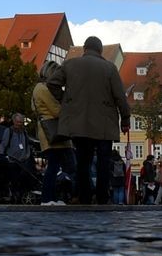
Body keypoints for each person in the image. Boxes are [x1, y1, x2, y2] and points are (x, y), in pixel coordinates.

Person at [41, 35, 130, 205]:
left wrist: (66, 100)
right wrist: (125, 119)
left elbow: (52, 83)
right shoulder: (109, 68)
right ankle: (103, 197)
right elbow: (120, 97)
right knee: (103, 162)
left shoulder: (70, 64)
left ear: (84, 48)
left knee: (83, 161)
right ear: (100, 50)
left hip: (78, 123)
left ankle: (85, 197)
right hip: (104, 123)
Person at [32, 80, 76, 207]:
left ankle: (51, 197)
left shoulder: (39, 88)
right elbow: (56, 110)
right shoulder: (43, 89)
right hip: (52, 132)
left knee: (54, 166)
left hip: (51, 134)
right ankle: (47, 198)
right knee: (54, 167)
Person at [0, 113, 34, 203]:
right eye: (18, 122)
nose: (19, 124)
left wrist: (28, 155)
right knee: (14, 180)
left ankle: (21, 196)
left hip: (24, 161)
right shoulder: (9, 131)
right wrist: (1, 155)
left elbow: (27, 143)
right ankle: (14, 196)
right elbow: (3, 144)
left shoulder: (24, 132)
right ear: (14, 121)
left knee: (24, 179)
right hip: (12, 161)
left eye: (21, 122)